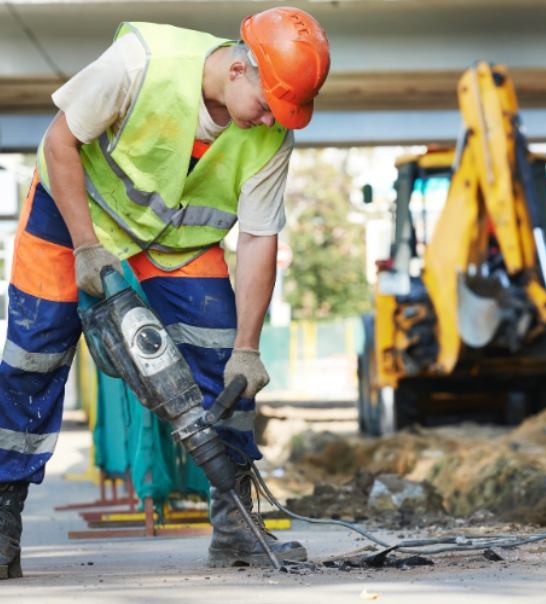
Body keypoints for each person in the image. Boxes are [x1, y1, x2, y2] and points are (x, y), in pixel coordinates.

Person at [0, 8, 330, 578]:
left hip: (173, 238)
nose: (272, 120)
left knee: (224, 362)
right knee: (32, 361)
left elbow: (257, 239)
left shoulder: (272, 133)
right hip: (72, 215)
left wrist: (248, 348)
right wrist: (84, 247)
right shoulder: (142, 61)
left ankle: (236, 529)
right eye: (268, 104)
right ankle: (3, 525)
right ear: (238, 69)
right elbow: (60, 141)